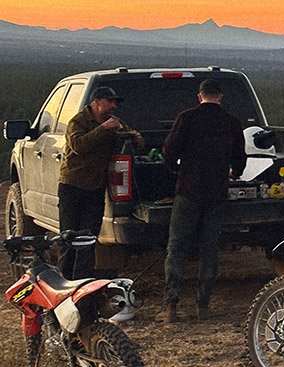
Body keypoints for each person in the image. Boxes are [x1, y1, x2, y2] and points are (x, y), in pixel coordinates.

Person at [158, 78, 247, 322]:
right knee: (210, 250)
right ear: (220, 97)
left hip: (188, 191)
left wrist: (174, 170)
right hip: (216, 193)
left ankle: (171, 306)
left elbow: (170, 151)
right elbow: (240, 160)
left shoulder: (186, 118)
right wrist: (232, 172)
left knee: (176, 248)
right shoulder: (232, 122)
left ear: (200, 96)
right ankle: (203, 305)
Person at [59, 86, 143, 279]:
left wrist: (132, 137)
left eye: (114, 102)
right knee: (69, 239)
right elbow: (79, 146)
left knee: (88, 240)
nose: (113, 106)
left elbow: (138, 139)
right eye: (110, 102)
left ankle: (84, 284)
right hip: (73, 186)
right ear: (97, 102)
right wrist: (104, 129)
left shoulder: (115, 122)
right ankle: (64, 283)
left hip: (95, 189)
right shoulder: (78, 122)